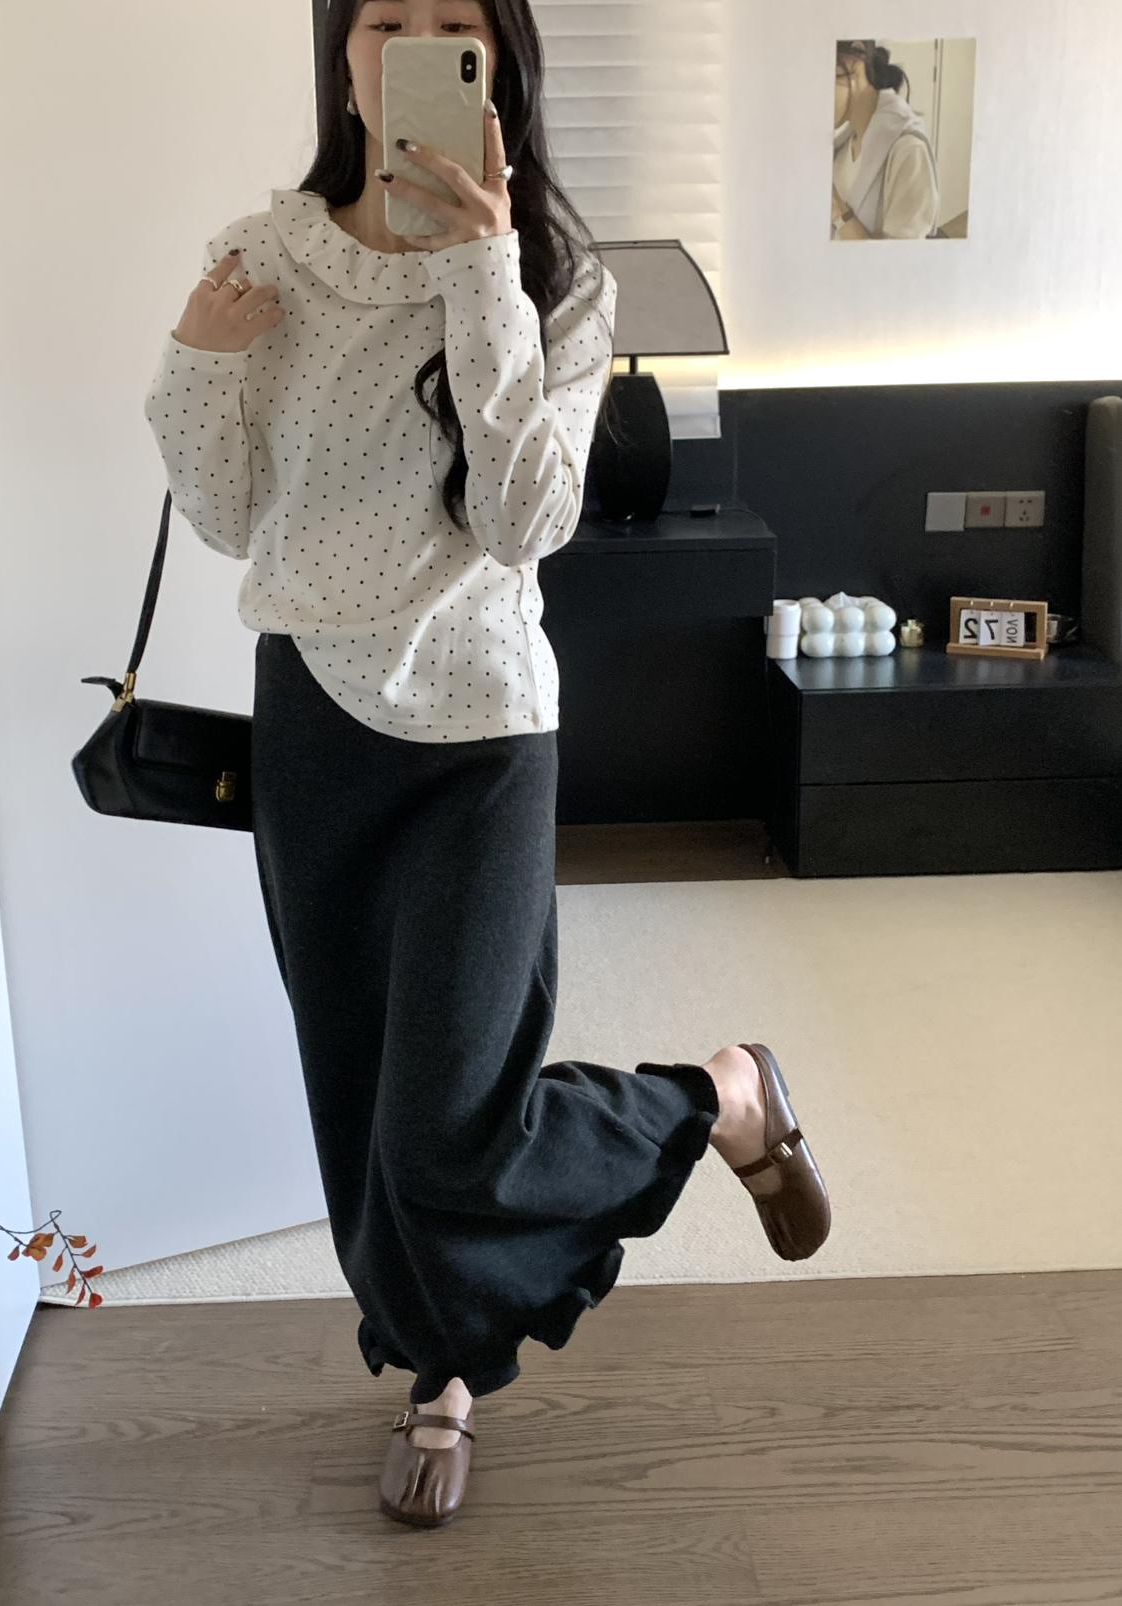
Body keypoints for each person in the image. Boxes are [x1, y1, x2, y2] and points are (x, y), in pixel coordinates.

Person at [143, 0, 831, 1530]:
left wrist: (477, 270)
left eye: (451, 20)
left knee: (455, 1132)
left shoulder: (559, 281)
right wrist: (198, 357)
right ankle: (438, 1372)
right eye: (383, 16)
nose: (411, 41)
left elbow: (528, 518)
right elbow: (231, 516)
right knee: (361, 1116)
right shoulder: (264, 255)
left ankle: (717, 1096)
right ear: (341, 53)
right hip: (315, 720)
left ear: (501, 60)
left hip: (481, 727)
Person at [832, 39, 941, 239]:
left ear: (854, 61)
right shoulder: (842, 147)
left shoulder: (908, 151)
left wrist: (838, 210)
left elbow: (899, 258)